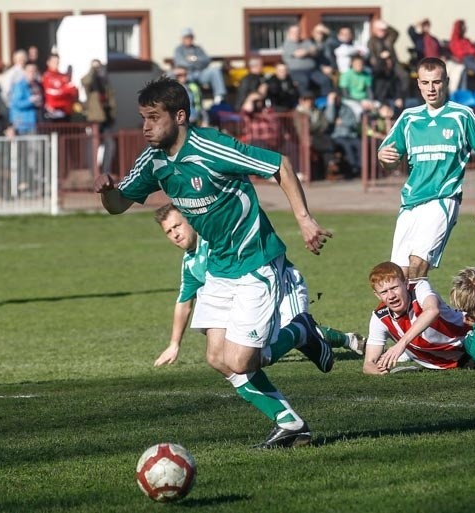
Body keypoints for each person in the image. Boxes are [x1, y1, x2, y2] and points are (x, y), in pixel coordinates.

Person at [93, 76, 334, 449]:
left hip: (256, 260)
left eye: (154, 118)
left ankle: (301, 330)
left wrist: (304, 220)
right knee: (218, 359)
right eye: (143, 118)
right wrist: (109, 194)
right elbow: (119, 205)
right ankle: (291, 424)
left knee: (241, 361)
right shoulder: (153, 160)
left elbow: (280, 165)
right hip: (220, 267)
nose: (145, 127)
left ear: (180, 116)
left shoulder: (211, 146)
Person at [152, 203, 364, 368]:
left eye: (177, 226)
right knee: (258, 351)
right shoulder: (189, 264)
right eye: (169, 232)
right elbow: (184, 303)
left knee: (291, 331)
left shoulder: (216, 240)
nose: (175, 234)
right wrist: (174, 344)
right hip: (255, 299)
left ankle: (340, 339)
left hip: (282, 283)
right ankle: (348, 339)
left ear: (189, 220)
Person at [377, 57, 475, 280]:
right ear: (419, 84)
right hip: (410, 203)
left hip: (442, 199)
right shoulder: (409, 118)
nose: (431, 88)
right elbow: (388, 158)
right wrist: (383, 157)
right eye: (425, 82)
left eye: (436, 82)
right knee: (399, 277)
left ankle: (429, 314)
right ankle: (440, 315)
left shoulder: (461, 115)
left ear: (446, 82)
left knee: (417, 266)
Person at [364, 261, 470, 375]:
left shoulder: (419, 288)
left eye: (394, 288)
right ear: (377, 295)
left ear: (406, 283)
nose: (391, 296)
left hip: (471, 339)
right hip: (449, 363)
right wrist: (379, 371)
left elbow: (432, 311)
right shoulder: (380, 317)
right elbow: (368, 364)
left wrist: (401, 344)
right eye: (384, 292)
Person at [81, 59, 117, 175]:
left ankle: (106, 171)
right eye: (96, 68)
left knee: (110, 144)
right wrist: (93, 69)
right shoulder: (91, 83)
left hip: (106, 118)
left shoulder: (106, 82)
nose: (99, 70)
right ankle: (93, 172)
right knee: (93, 144)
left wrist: (113, 115)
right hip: (95, 118)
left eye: (99, 67)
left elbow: (111, 99)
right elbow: (85, 81)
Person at [173, 28, 227, 104]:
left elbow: (207, 60)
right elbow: (180, 63)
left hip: (200, 74)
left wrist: (194, 59)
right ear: (182, 39)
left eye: (190, 37)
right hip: (187, 75)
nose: (188, 39)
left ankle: (219, 96)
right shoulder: (179, 50)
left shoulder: (198, 49)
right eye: (186, 37)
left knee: (215, 70)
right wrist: (196, 62)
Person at [281, 24, 333, 97]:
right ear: (289, 33)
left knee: (325, 80)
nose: (296, 34)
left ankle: (325, 102)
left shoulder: (306, 41)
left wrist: (307, 51)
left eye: (298, 32)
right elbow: (299, 54)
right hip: (296, 71)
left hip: (312, 70)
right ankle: (305, 102)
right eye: (294, 32)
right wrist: (309, 51)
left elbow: (315, 52)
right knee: (303, 81)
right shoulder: (288, 44)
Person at [367, 20, 409, 102]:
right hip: (380, 64)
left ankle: (402, 97)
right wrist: (381, 57)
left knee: (404, 76)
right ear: (375, 30)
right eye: (380, 29)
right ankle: (381, 100)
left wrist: (386, 25)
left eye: (383, 30)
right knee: (382, 80)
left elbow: (396, 33)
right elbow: (372, 56)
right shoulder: (372, 41)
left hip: (393, 62)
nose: (382, 31)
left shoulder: (388, 38)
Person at [325, 89, 361, 178]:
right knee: (347, 146)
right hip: (337, 136)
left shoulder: (347, 108)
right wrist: (330, 103)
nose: (336, 99)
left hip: (350, 134)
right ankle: (354, 168)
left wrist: (342, 122)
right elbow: (330, 118)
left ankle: (362, 167)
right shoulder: (329, 107)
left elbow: (354, 123)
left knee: (360, 145)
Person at [41, 54, 79, 122]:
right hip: (53, 110)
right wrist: (64, 91)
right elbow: (51, 93)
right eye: (54, 62)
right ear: (48, 63)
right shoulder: (46, 76)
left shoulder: (63, 76)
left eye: (57, 62)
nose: (56, 64)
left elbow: (73, 91)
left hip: (66, 110)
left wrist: (62, 91)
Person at [9, 63, 43, 135]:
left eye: (34, 71)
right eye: (29, 71)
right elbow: (16, 103)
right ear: (24, 72)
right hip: (22, 123)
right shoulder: (19, 85)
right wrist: (30, 101)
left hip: (35, 121)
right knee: (23, 145)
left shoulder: (37, 85)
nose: (32, 73)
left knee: (37, 145)